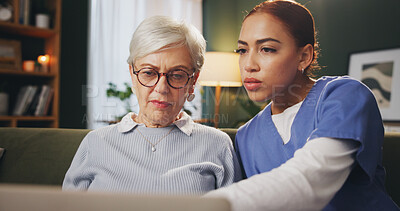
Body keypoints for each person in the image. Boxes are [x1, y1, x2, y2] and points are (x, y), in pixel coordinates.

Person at [206, 0, 399, 210]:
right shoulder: (246, 136)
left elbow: (311, 178)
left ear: (304, 56)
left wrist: (202, 205)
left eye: (267, 49)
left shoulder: (345, 96)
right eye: (242, 50)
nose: (248, 65)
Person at [63, 16, 242, 195]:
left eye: (177, 75)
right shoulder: (95, 143)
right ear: (133, 75)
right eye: (149, 72)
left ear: (193, 81)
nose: (162, 88)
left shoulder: (217, 144)